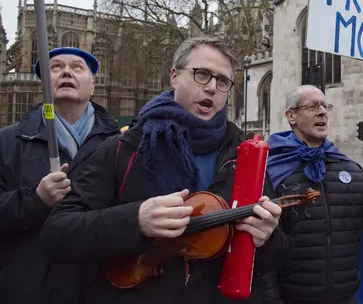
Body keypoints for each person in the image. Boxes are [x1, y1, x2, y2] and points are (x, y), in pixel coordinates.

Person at [40, 36, 284, 304]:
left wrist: (268, 239)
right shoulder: (124, 147)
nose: (212, 87)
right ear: (174, 77)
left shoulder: (248, 155)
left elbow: (278, 257)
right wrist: (136, 221)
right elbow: (57, 234)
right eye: (202, 74)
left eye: (222, 81)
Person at [0, 47, 120, 304]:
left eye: (77, 67)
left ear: (93, 86)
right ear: (42, 84)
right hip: (31, 291)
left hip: (102, 289)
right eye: (55, 68)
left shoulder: (122, 145)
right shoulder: (6, 143)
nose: (66, 71)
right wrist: (35, 200)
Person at [265, 85, 363, 304]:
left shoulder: (350, 169)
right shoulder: (272, 170)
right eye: (312, 106)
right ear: (291, 116)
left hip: (345, 297)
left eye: (325, 106)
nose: (322, 112)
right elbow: (262, 249)